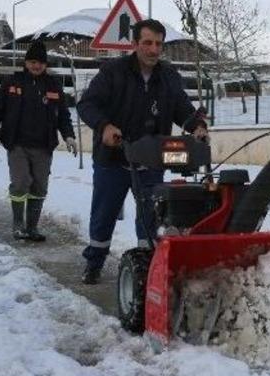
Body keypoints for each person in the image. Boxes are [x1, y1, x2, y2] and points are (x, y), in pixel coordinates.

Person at [77, 19, 208, 285]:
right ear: (135, 44)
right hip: (113, 158)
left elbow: (182, 107)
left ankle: (146, 268)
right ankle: (94, 262)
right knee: (104, 214)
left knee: (151, 217)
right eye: (147, 43)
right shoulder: (113, 71)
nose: (153, 49)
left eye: (158, 44)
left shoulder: (169, 76)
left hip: (151, 159)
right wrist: (104, 126)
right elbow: (87, 105)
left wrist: (196, 126)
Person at [0, 39, 77, 241]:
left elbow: (63, 115)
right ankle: (18, 226)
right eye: (33, 62)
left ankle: (32, 228)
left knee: (39, 186)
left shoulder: (53, 86)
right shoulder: (13, 82)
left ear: (46, 65)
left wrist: (69, 136)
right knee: (20, 182)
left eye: (41, 63)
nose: (36, 66)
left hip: (44, 146)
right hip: (17, 143)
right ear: (26, 63)